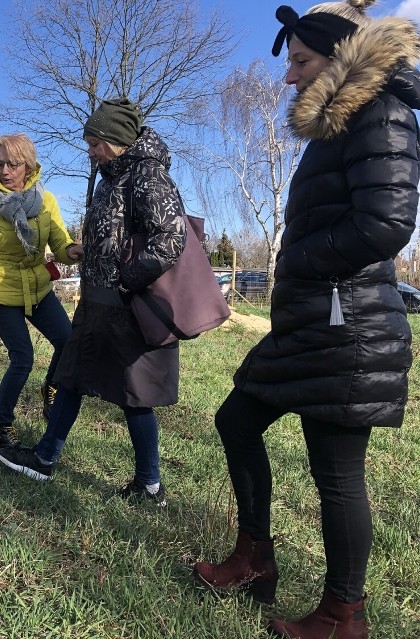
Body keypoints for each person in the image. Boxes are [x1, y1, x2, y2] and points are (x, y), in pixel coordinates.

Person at [193, 2, 419, 637]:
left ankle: (343, 614)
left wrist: (302, 261)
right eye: (289, 63)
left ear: (339, 61)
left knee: (337, 472)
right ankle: (255, 560)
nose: (289, 77)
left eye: (301, 61)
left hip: (350, 325)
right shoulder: (338, 128)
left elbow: (387, 223)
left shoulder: (382, 114)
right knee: (236, 417)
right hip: (312, 321)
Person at [0, 99, 186, 507]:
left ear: (117, 141)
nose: (90, 151)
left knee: (134, 395)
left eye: (96, 142)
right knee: (72, 376)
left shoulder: (148, 175)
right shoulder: (110, 175)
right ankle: (44, 459)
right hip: (97, 302)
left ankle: (150, 486)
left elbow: (170, 239)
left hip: (124, 305)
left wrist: (124, 283)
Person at [0, 133, 82, 449]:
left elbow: (60, 244)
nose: (5, 171)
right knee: (22, 359)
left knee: (68, 342)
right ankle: (2, 425)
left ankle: (51, 388)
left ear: (27, 165)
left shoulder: (46, 201)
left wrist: (76, 251)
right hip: (0, 293)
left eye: (12, 164)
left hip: (38, 288)